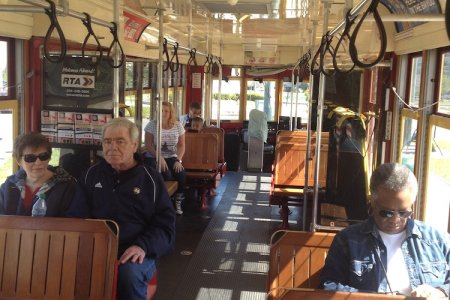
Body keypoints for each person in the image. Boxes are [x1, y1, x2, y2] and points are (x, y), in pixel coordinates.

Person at [66, 118, 176, 300]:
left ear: (134, 146)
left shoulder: (151, 180)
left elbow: (166, 227)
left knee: (128, 274)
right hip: (96, 247)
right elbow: (76, 217)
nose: (112, 147)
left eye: (120, 141)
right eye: (107, 142)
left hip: (137, 248)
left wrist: (143, 246)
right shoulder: (90, 176)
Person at [319, 163, 449, 298]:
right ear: (372, 204)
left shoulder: (437, 239)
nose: (395, 219)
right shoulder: (347, 240)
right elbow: (328, 286)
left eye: (404, 213)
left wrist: (440, 291)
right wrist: (377, 297)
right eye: (386, 213)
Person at [0, 132, 76, 216]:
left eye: (43, 156)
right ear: (18, 161)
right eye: (30, 158)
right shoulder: (8, 186)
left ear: (50, 157)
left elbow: (73, 224)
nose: (38, 162)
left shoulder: (67, 187)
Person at [144, 101, 186, 215]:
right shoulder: (151, 125)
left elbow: (182, 145)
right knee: (166, 174)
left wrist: (179, 160)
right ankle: (160, 202)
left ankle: (177, 200)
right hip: (153, 156)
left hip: (172, 156)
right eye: (161, 111)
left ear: (171, 112)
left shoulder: (178, 126)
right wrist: (159, 157)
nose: (163, 113)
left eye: (166, 111)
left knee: (180, 173)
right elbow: (148, 145)